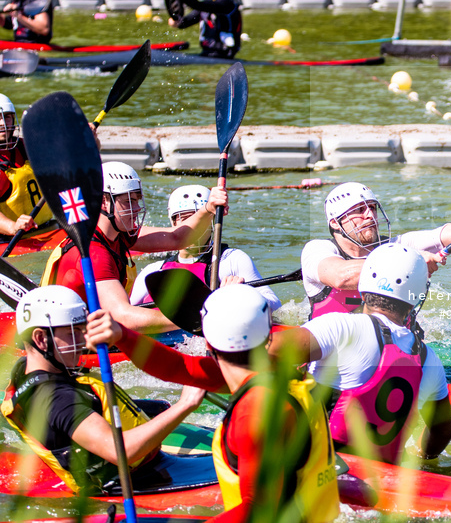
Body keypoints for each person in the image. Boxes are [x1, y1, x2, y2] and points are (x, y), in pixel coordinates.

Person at [86, 284, 340, 523]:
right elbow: (178, 366)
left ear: (207, 342)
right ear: (268, 336)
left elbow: (259, 509)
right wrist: (122, 335)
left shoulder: (254, 413)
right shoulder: (279, 376)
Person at [1, 286, 209, 495]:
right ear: (40, 339)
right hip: (134, 479)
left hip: (143, 464)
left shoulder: (26, 368)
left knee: (160, 407)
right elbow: (120, 451)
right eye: (72, 333)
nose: (83, 341)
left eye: (82, 330)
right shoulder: (56, 399)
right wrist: (186, 404)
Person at [274, 243, 451, 464]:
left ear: (364, 284)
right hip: (384, 479)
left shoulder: (340, 327)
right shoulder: (429, 358)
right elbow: (444, 431)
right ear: (417, 295)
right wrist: (420, 458)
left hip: (322, 471)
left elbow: (267, 351)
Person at [41, 162, 228, 333]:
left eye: (137, 200)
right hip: (68, 339)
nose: (137, 208)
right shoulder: (94, 253)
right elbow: (123, 317)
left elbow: (176, 237)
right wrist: (199, 316)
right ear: (104, 201)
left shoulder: (119, 234)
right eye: (129, 201)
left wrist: (208, 209)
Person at [302, 181, 451, 320]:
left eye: (372, 208)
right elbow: (340, 277)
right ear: (334, 223)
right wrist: (407, 261)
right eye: (359, 211)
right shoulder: (318, 250)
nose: (370, 216)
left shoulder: (397, 245)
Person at [130, 184, 281, 312]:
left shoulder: (231, 260)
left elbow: (275, 305)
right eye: (184, 220)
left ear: (211, 224)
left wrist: (242, 295)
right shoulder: (153, 271)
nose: (193, 230)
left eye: (198, 221)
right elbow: (128, 313)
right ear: (173, 224)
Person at [157, 0, 242, 59]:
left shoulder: (227, 4)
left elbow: (197, 4)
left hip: (224, 56)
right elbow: (183, 24)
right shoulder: (207, 7)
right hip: (206, 54)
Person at [0, 93, 54, 237]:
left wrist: (87, 141)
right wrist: (13, 227)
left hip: (49, 229)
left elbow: (64, 162)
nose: (2, 123)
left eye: (7, 117)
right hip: (9, 240)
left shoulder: (27, 146)